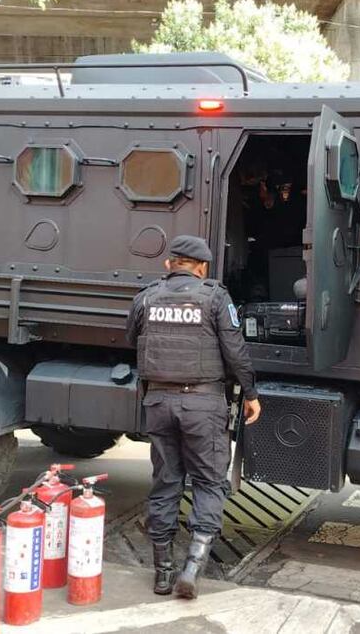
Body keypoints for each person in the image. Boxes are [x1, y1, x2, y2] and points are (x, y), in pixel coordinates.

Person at [126, 235, 262, 599]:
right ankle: (192, 567)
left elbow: (132, 339)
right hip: (203, 405)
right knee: (208, 482)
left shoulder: (146, 297)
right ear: (201, 267)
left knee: (166, 482)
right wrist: (250, 394)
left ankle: (162, 573)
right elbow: (235, 351)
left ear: (170, 264)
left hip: (158, 402)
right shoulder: (215, 297)